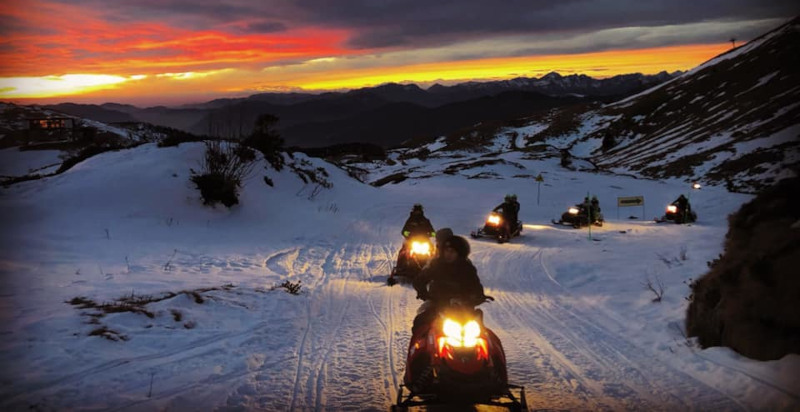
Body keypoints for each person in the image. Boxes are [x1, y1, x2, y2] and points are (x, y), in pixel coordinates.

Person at [411, 236, 485, 335]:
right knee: (420, 322)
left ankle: (492, 350)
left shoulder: (467, 268)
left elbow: (476, 286)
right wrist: (423, 292)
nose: (449, 254)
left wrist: (478, 296)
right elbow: (420, 279)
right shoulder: (436, 265)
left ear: (460, 254)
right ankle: (417, 349)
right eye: (447, 251)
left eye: (453, 252)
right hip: (438, 304)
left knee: (481, 332)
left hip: (462, 307)